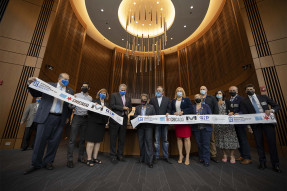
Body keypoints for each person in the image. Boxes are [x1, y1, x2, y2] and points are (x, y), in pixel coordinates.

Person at [24, 73, 74, 175]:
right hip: (46, 117)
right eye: (65, 79)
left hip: (60, 119)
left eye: (68, 79)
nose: (67, 81)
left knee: (54, 143)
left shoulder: (70, 91)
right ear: (59, 78)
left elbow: (69, 106)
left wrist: (68, 115)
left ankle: (48, 162)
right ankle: (35, 164)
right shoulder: (48, 85)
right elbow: (34, 93)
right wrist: (30, 83)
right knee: (40, 142)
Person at [240, 84, 281, 173]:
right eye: (248, 89)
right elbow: (246, 115)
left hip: (268, 123)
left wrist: (272, 110)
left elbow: (277, 106)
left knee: (272, 144)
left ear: (254, 89)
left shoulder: (263, 97)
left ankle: (275, 164)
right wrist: (249, 127)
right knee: (259, 144)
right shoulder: (244, 101)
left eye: (251, 89)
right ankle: (262, 163)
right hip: (255, 125)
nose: (250, 90)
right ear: (245, 91)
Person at [66, 82, 92, 168]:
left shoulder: (90, 98)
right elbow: (70, 107)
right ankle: (70, 160)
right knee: (72, 139)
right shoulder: (76, 95)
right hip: (77, 118)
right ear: (81, 87)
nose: (84, 88)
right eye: (82, 86)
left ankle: (80, 157)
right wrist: (72, 101)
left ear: (89, 88)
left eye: (86, 87)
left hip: (86, 119)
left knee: (82, 140)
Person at [85, 89, 109, 167]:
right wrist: (93, 107)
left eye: (104, 93)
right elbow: (89, 112)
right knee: (91, 141)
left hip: (101, 124)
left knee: (98, 142)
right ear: (98, 94)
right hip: (93, 123)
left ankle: (95, 158)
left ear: (106, 95)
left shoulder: (107, 104)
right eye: (101, 93)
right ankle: (89, 159)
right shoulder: (93, 101)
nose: (103, 94)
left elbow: (108, 115)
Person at [214, 90, 239, 163]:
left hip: (228, 123)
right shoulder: (215, 103)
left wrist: (232, 112)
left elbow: (232, 110)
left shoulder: (227, 101)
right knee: (221, 140)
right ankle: (224, 154)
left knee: (231, 139)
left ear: (223, 94)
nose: (219, 94)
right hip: (218, 124)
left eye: (220, 93)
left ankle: (232, 155)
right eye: (217, 93)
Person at [229, 86, 252, 164]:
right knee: (238, 140)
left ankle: (247, 157)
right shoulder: (229, 100)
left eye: (233, 90)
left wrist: (239, 113)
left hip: (240, 123)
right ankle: (242, 155)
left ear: (237, 91)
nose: (232, 91)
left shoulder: (241, 99)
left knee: (243, 140)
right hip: (232, 123)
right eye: (230, 90)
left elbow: (244, 110)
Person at [109, 84, 132, 163]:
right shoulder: (114, 95)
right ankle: (113, 155)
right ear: (119, 89)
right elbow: (112, 105)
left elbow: (130, 107)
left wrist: (128, 110)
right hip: (115, 120)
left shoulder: (128, 98)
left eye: (124, 90)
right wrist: (122, 108)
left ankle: (120, 155)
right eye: (122, 90)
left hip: (124, 120)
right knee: (113, 138)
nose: (123, 91)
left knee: (122, 139)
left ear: (126, 90)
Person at [171, 87, 193, 165]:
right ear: (176, 92)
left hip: (185, 121)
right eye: (177, 91)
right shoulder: (173, 100)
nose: (179, 92)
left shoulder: (186, 99)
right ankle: (181, 155)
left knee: (187, 138)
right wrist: (174, 113)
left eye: (180, 91)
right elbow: (171, 110)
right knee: (179, 138)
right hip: (177, 121)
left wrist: (183, 112)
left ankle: (187, 156)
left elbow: (191, 109)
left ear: (183, 92)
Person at [149, 86, 172, 164]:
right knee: (156, 141)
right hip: (156, 123)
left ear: (163, 92)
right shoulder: (152, 99)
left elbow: (169, 108)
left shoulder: (167, 99)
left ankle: (166, 156)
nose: (158, 91)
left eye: (160, 90)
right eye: (157, 90)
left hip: (165, 123)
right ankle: (156, 156)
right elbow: (150, 108)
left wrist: (168, 112)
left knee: (165, 140)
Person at [134, 94, 156, 168]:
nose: (143, 100)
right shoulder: (137, 108)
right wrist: (137, 116)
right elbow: (134, 116)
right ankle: (142, 158)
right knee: (141, 143)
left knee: (149, 143)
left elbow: (154, 116)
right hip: (140, 127)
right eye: (142, 99)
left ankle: (150, 161)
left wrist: (149, 117)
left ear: (147, 100)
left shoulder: (151, 107)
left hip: (148, 127)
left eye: (144, 99)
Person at [191, 94, 213, 167]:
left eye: (199, 97)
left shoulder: (206, 106)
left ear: (202, 99)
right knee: (199, 144)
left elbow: (210, 116)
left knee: (206, 145)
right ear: (194, 100)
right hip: (197, 128)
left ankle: (206, 160)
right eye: (196, 98)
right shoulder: (192, 107)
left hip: (206, 128)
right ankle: (201, 158)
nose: (197, 99)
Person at [199, 86, 219, 163]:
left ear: (207, 90)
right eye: (201, 89)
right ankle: (203, 155)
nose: (202, 90)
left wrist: (214, 119)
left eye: (203, 89)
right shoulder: (198, 97)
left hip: (210, 121)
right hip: (200, 121)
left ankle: (213, 155)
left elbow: (216, 108)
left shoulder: (211, 98)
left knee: (212, 138)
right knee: (202, 138)